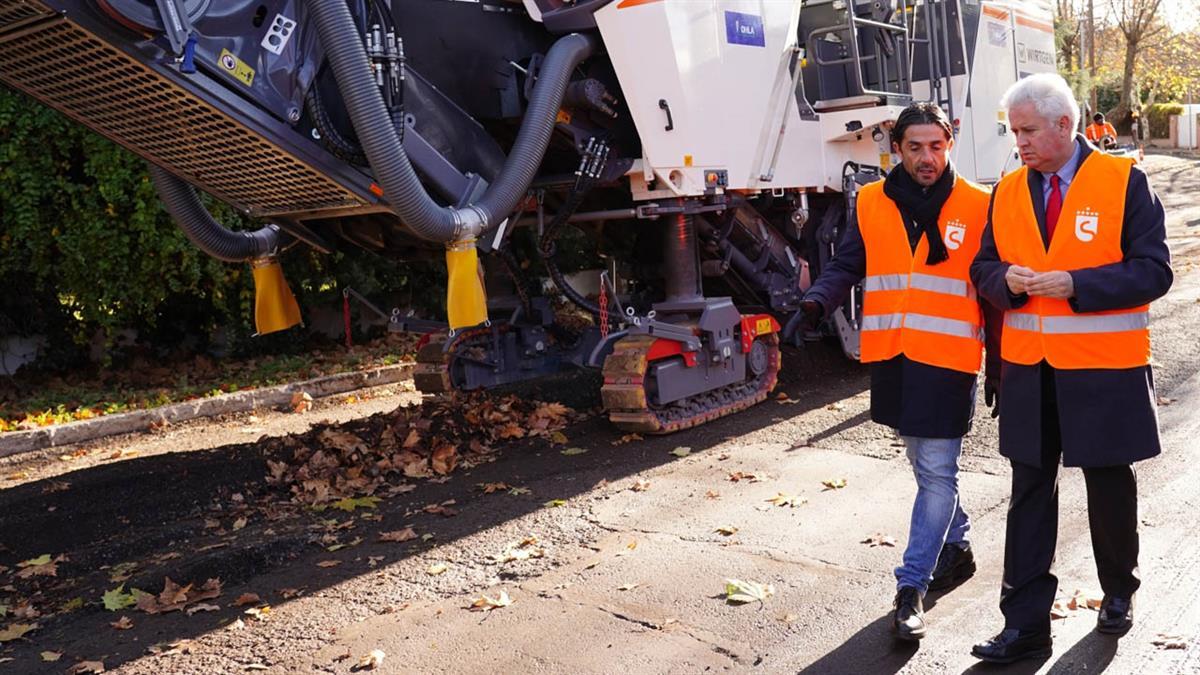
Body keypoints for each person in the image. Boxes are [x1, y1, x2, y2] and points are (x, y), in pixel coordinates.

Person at [969, 73, 1172, 664]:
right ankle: (1024, 624)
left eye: (1029, 131)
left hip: (1103, 371)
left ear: (1065, 124)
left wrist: (1077, 284)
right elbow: (983, 267)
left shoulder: (1123, 181)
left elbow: (1154, 271)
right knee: (1029, 494)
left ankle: (1118, 593)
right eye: (1015, 133)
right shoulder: (1006, 190)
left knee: (1109, 487)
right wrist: (1000, 280)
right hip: (1030, 373)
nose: (1021, 143)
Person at [785, 102, 1000, 641]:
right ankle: (957, 546)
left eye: (936, 146)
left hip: (950, 360)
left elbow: (994, 294)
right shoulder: (873, 200)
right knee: (926, 466)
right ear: (896, 149)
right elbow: (848, 264)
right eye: (915, 147)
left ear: (948, 143)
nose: (927, 158)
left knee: (935, 472)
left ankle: (912, 586)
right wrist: (814, 303)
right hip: (893, 357)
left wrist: (999, 363)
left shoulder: (979, 205)